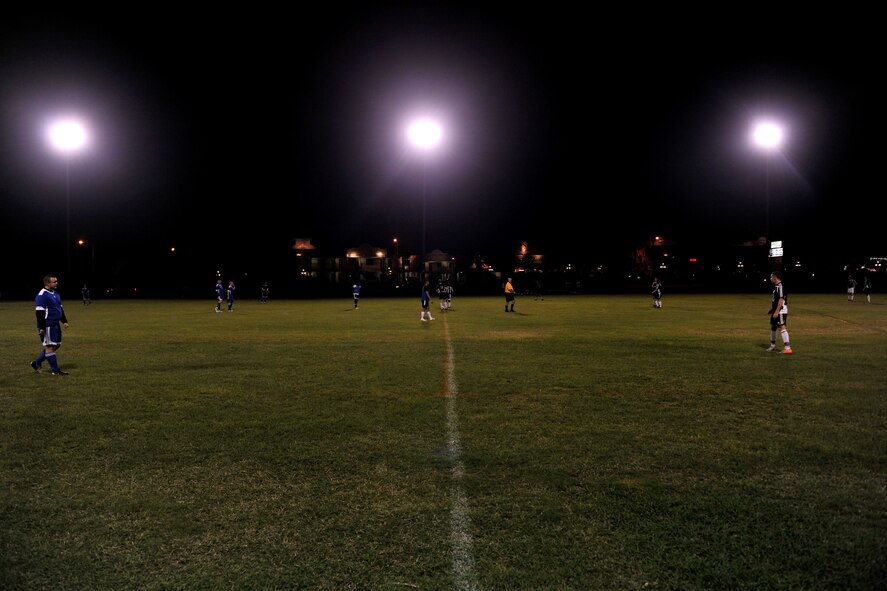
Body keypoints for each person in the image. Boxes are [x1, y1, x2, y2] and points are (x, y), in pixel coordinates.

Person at [30, 275, 70, 375]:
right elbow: (39, 313)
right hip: (47, 325)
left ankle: (37, 363)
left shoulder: (55, 294)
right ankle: (55, 371)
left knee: (55, 345)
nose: (57, 283)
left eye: (56, 281)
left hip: (55, 324)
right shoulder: (42, 295)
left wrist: (64, 321)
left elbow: (60, 308)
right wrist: (42, 327)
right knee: (49, 347)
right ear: (47, 283)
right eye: (54, 282)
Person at [767, 271, 792, 354]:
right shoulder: (776, 286)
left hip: (781, 311)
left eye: (771, 277)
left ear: (775, 277)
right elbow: (776, 300)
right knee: (773, 327)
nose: (770, 278)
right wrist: (772, 309)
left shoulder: (780, 286)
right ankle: (772, 346)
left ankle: (788, 348)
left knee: (781, 327)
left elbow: (781, 299)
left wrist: (777, 311)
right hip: (776, 310)